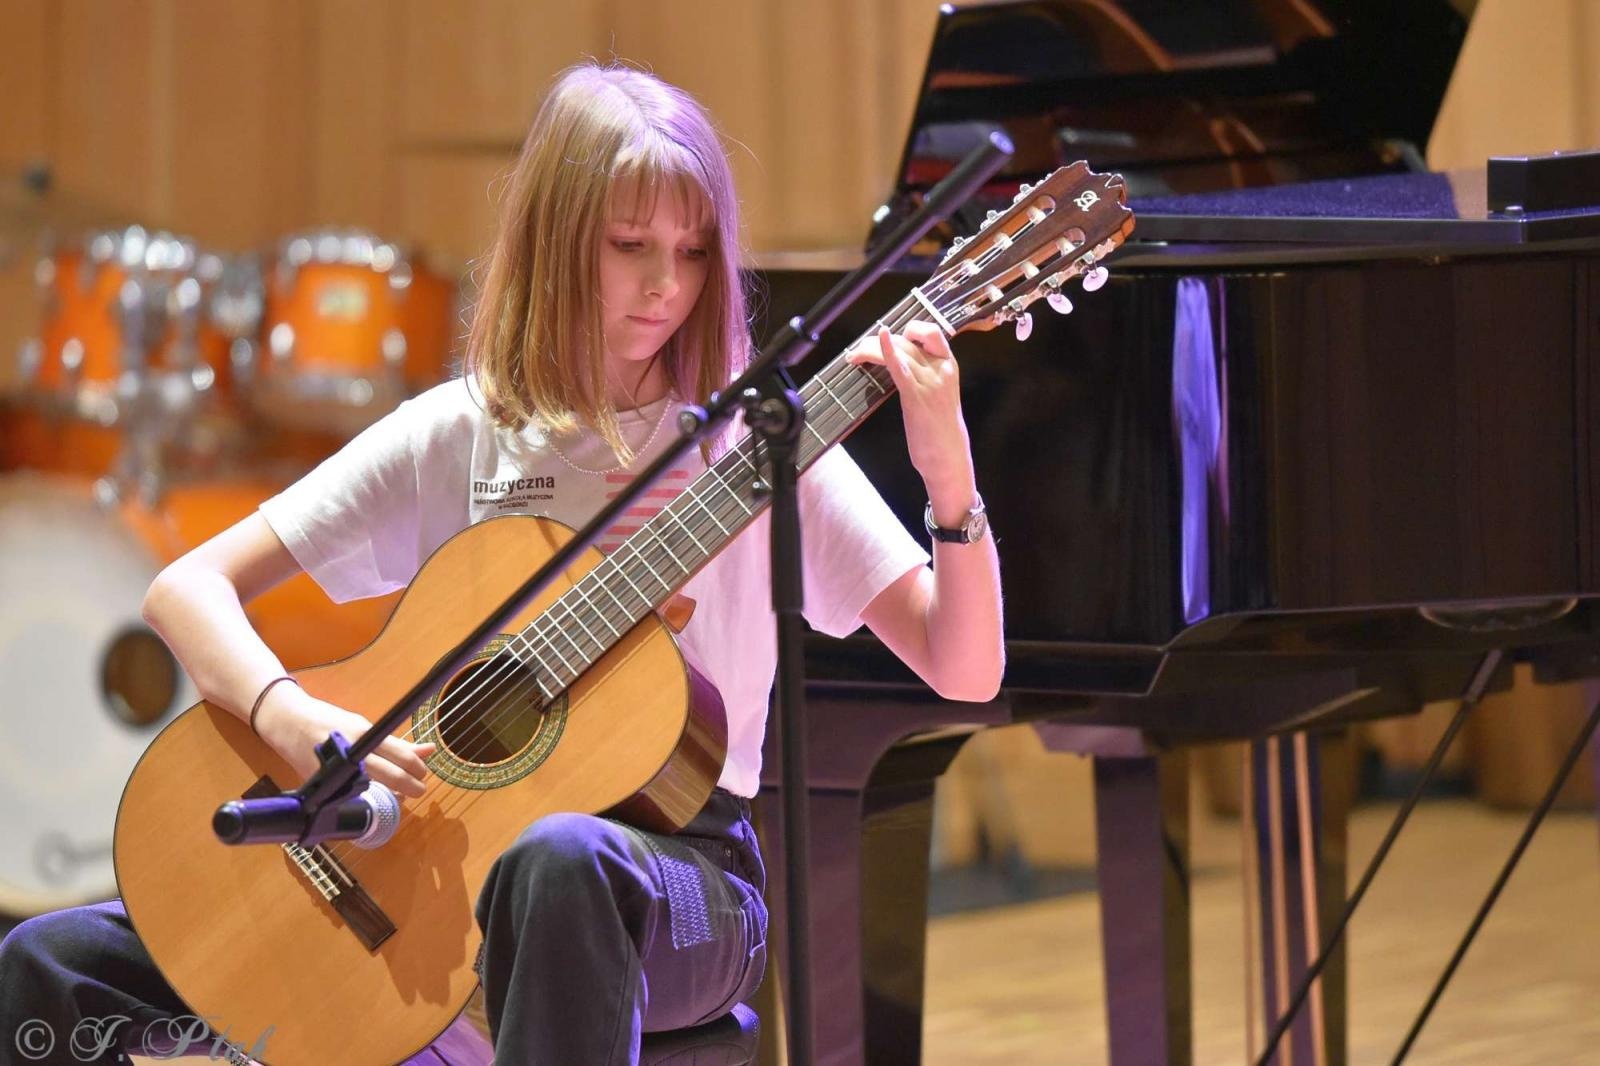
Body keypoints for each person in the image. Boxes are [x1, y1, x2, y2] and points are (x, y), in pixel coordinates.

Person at [0, 62, 1003, 1066]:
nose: (667, 284)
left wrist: (945, 467)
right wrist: (291, 718)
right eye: (629, 247)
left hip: (681, 882)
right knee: (46, 965)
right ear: (557, 242)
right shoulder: (461, 432)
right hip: (415, 857)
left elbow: (964, 668)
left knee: (555, 861)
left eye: (693, 252)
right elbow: (187, 587)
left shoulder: (758, 447)